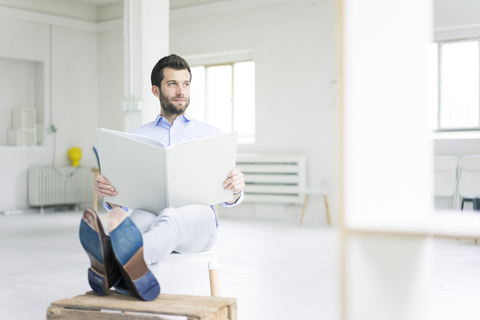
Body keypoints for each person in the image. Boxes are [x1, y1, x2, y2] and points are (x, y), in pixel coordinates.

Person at [79, 54, 245, 301]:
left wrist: (236, 188)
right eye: (172, 84)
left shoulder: (210, 135)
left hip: (198, 224)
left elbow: (229, 198)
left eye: (186, 83)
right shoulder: (136, 138)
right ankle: (136, 281)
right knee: (137, 222)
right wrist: (108, 192)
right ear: (156, 90)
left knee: (169, 217)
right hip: (152, 214)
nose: (181, 91)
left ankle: (112, 265)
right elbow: (120, 203)